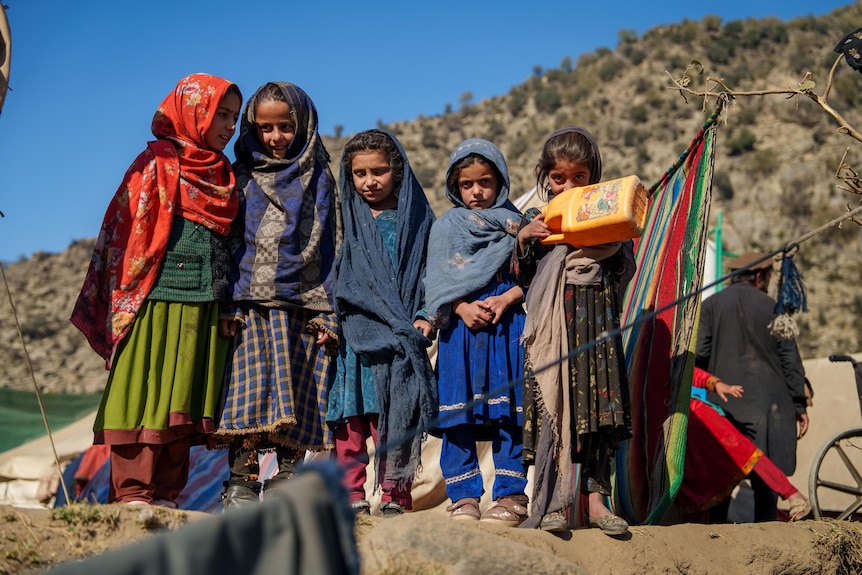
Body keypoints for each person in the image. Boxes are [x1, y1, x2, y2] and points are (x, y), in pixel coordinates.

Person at [70, 73, 243, 506]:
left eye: (234, 118)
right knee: (144, 390)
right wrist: (126, 299)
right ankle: (133, 493)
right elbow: (124, 232)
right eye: (220, 114)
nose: (228, 126)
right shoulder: (157, 161)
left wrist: (225, 304)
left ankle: (167, 495)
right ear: (193, 111)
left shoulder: (226, 176)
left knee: (185, 395)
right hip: (152, 300)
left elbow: (231, 246)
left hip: (206, 306)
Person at [214, 82, 340, 509]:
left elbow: (330, 247)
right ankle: (242, 484)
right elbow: (228, 243)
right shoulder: (238, 175)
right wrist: (227, 302)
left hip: (305, 304)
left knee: (298, 396)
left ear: (303, 123)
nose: (275, 138)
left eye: (286, 127)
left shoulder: (320, 177)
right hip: (248, 304)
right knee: (249, 396)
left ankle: (287, 481)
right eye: (265, 127)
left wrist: (330, 313)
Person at [513, 126, 635, 535]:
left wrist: (615, 236)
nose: (568, 184)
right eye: (558, 177)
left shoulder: (608, 215)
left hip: (597, 329)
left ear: (593, 175)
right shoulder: (536, 219)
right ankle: (550, 503)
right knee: (555, 410)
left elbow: (622, 272)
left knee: (598, 417)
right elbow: (523, 277)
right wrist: (526, 240)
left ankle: (598, 503)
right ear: (546, 177)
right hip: (552, 334)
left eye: (579, 177)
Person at [327, 129, 437, 517]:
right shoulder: (344, 220)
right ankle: (351, 494)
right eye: (359, 174)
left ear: (399, 171)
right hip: (354, 334)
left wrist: (426, 316)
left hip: (400, 334)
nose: (369, 182)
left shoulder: (420, 220)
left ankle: (395, 494)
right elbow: (331, 274)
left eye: (379, 172)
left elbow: (431, 274)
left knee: (396, 414)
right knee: (351, 418)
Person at [425, 139, 528, 525]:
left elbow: (534, 276)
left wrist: (505, 301)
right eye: (467, 184)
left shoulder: (520, 224)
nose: (477, 192)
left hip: (506, 329)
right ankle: (464, 498)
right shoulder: (446, 227)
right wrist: (462, 307)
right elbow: (435, 283)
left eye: (485, 182)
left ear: (500, 181)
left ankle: (512, 497)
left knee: (509, 414)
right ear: (455, 186)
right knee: (459, 416)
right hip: (461, 333)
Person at [696, 252, 809, 522]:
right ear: (759, 277)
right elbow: (791, 361)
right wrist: (799, 405)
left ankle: (718, 535)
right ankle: (766, 532)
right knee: (767, 484)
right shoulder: (774, 307)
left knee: (724, 479)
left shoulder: (710, 306)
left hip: (727, 406)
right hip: (771, 406)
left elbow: (699, 353)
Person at [677, 367, 811, 523]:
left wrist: (714, 383)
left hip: (694, 415)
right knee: (692, 481)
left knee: (743, 451)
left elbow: (680, 366)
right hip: (665, 426)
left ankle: (793, 495)